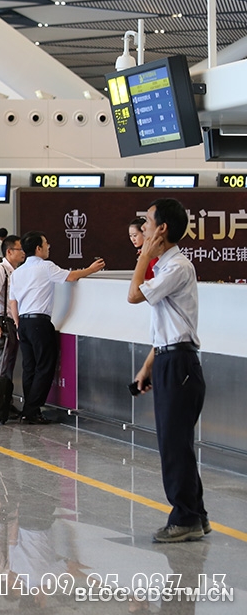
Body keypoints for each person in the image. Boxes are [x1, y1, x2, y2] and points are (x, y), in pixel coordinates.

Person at [127, 199, 209, 543]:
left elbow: (133, 295)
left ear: (161, 229)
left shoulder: (176, 268)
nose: (142, 228)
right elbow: (166, 326)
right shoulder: (166, 268)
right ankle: (196, 515)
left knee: (175, 446)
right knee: (177, 445)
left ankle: (185, 517)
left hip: (179, 365)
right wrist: (148, 366)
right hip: (167, 359)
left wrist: (144, 254)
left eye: (146, 222)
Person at [9, 231, 104, 424]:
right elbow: (71, 277)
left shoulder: (17, 272)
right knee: (44, 366)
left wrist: (18, 324)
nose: (49, 246)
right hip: (39, 323)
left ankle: (29, 409)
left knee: (29, 367)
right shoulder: (46, 267)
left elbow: (13, 302)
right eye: (46, 243)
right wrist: (91, 269)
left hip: (24, 323)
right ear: (38, 248)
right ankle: (32, 410)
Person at [0, 235, 25, 381]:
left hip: (13, 322)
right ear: (9, 251)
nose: (23, 252)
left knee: (9, 364)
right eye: (19, 249)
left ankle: (4, 400)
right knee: (0, 364)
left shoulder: (15, 271)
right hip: (3, 323)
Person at [129, 216, 156, 280]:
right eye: (130, 236)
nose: (133, 239)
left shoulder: (152, 253)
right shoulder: (142, 252)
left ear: (144, 233)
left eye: (135, 235)